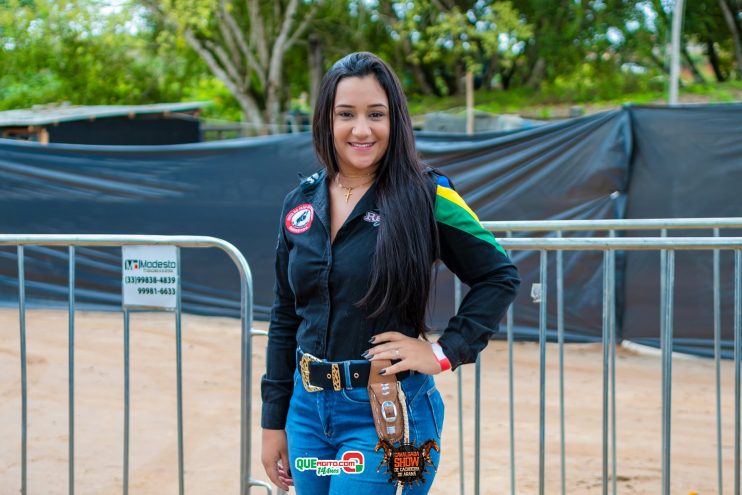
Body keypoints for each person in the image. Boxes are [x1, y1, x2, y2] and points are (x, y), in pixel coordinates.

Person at [260, 52, 520, 494]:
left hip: (386, 408)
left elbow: (498, 275)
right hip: (306, 414)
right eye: (346, 114)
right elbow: (286, 315)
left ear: (395, 119)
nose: (361, 129)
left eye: (375, 114)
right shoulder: (299, 204)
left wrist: (443, 352)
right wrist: (273, 422)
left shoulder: (429, 193)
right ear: (326, 119)